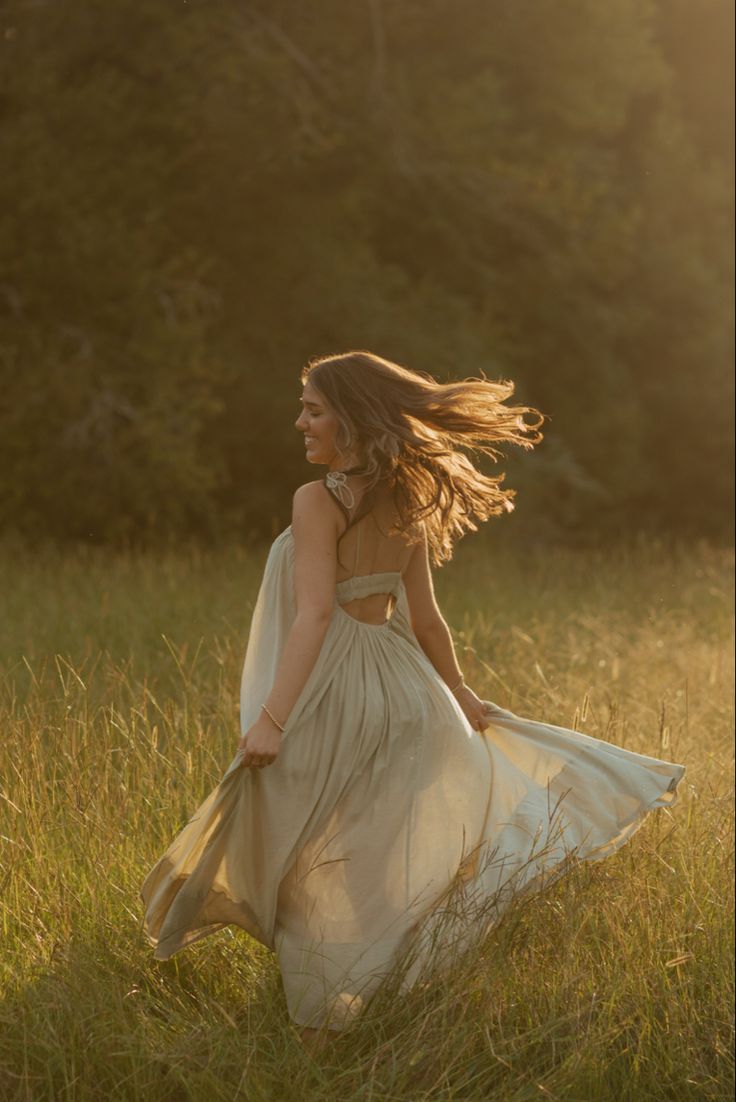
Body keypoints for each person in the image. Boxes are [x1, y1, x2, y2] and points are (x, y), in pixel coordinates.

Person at [140, 350, 685, 1045]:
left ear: (353, 421)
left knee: (308, 856)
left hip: (337, 690)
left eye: (312, 408)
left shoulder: (317, 499)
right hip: (406, 691)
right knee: (371, 854)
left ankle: (319, 1027)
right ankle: (382, 994)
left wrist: (271, 721)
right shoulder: (407, 498)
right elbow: (425, 618)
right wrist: (457, 694)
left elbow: (313, 617)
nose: (299, 421)